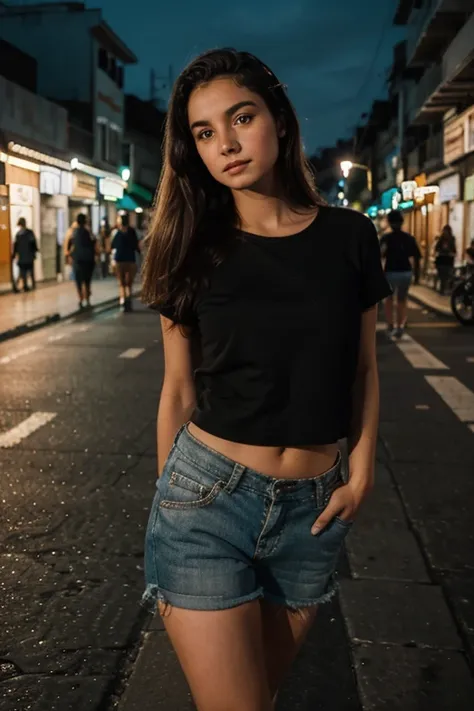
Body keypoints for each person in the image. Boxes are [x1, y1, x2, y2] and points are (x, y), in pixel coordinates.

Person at [140, 48, 392, 711]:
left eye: (241, 117)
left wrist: (360, 474)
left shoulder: (350, 237)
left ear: (279, 119)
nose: (225, 143)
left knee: (261, 696)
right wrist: (172, 496)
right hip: (205, 506)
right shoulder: (188, 244)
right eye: (203, 132)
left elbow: (364, 366)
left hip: (312, 514)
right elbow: (176, 391)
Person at [380, 210, 421, 339]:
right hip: (406, 272)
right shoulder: (409, 238)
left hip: (391, 271)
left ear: (390, 223)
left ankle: (391, 324)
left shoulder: (386, 238)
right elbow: (417, 256)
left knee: (389, 299)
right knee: (402, 300)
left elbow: (378, 255)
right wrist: (417, 276)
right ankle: (400, 326)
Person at [66, 213, 97, 309]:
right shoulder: (89, 232)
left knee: (78, 281)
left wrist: (70, 256)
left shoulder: (73, 233)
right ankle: (87, 299)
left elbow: (68, 246)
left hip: (78, 260)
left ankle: (80, 299)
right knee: (87, 280)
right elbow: (94, 243)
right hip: (88, 260)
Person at [111, 213, 140, 311]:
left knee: (121, 282)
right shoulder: (132, 231)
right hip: (130, 259)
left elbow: (112, 245)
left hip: (119, 259)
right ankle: (128, 301)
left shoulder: (117, 232)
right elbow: (136, 245)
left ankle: (122, 300)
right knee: (129, 283)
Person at [12, 217, 38, 292]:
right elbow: (34, 243)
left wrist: (14, 255)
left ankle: (26, 286)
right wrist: (35, 252)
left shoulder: (18, 234)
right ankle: (32, 285)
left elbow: (15, 246)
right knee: (31, 271)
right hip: (29, 256)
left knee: (23, 272)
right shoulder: (29, 232)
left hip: (22, 257)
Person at [434, 225, 456, 295]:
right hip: (441, 259)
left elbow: (454, 249)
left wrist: (451, 252)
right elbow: (436, 248)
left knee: (447, 275)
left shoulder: (452, 239)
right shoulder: (441, 239)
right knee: (442, 275)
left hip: (448, 259)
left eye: (446, 231)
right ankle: (442, 289)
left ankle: (444, 290)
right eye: (444, 230)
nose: (445, 232)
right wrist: (441, 251)